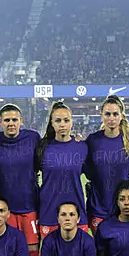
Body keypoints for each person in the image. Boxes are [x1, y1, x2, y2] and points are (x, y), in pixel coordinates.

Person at [0, 104, 41, 256]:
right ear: (0, 122)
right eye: (7, 120)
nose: (11, 123)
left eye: (14, 120)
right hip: (3, 210)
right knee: (5, 254)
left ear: (21, 121)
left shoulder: (33, 138)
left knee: (33, 254)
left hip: (29, 206)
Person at [37, 102, 89, 238]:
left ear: (71, 122)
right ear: (52, 123)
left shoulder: (82, 147)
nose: (62, 124)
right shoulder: (42, 148)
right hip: (49, 212)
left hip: (77, 213)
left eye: (66, 120)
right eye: (58, 120)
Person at [86, 95, 129, 232]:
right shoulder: (92, 140)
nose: (111, 118)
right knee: (101, 251)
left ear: (121, 116)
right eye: (107, 114)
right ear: (101, 115)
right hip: (98, 207)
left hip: (123, 207)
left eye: (115, 114)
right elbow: (87, 168)